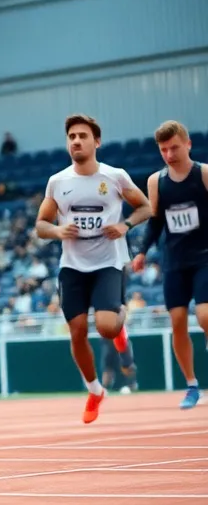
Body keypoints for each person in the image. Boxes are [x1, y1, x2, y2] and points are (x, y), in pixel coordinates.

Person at [35, 114, 151, 424]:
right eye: (71, 136)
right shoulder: (57, 182)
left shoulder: (115, 176)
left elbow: (146, 206)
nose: (76, 141)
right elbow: (41, 225)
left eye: (82, 136)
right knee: (77, 331)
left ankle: (118, 315)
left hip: (107, 263)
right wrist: (58, 231)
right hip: (72, 267)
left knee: (107, 327)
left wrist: (125, 225)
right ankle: (95, 389)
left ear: (96, 142)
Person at [133, 120, 208, 410]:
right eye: (163, 150)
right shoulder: (156, 181)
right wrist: (141, 252)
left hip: (204, 256)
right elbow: (156, 222)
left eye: (174, 147)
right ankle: (192, 385)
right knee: (177, 322)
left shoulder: (203, 174)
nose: (169, 154)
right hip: (174, 261)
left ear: (187, 144)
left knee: (205, 315)